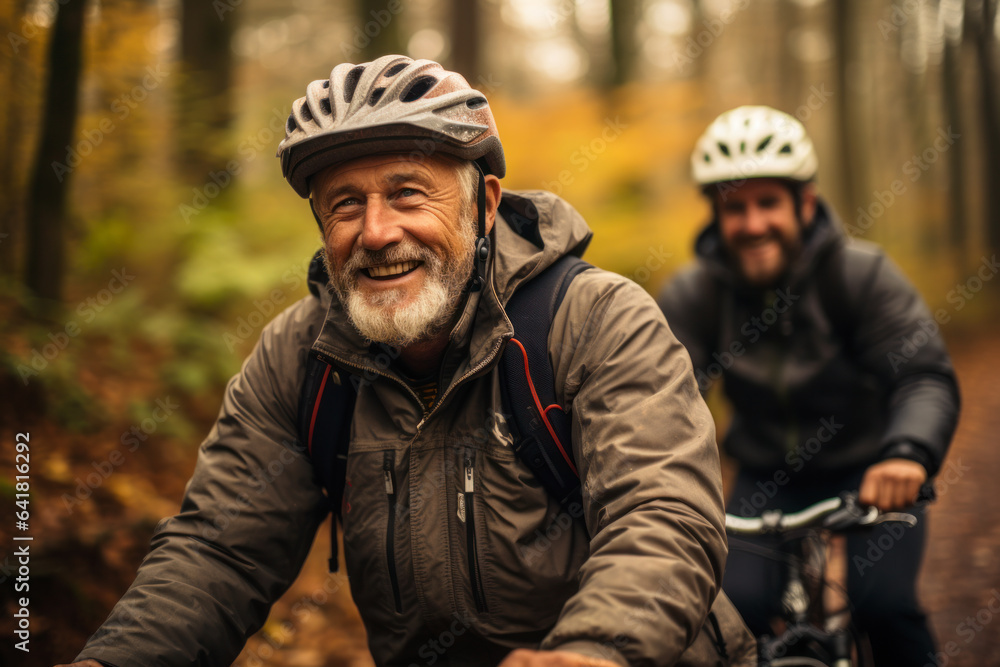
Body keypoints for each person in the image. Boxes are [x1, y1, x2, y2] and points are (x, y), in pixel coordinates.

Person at [59, 55, 735, 667]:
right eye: (345, 204)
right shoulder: (301, 361)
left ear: (484, 206)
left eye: (408, 193)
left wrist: (594, 651)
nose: (377, 233)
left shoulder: (594, 321)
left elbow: (663, 513)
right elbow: (218, 552)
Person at [657, 105, 960, 665]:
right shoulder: (694, 295)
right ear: (715, 215)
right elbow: (655, 396)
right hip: (765, 478)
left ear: (806, 203)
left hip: (871, 471)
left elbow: (923, 375)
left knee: (884, 608)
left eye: (768, 203)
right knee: (728, 616)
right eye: (735, 207)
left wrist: (908, 454)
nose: (752, 224)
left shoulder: (860, 275)